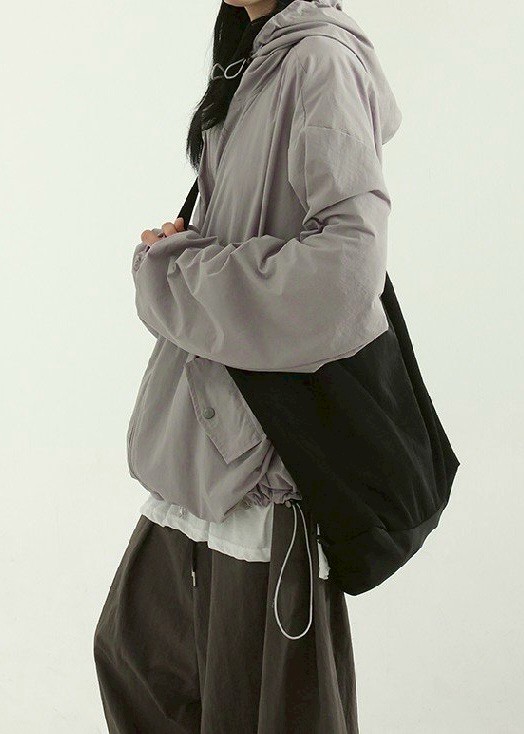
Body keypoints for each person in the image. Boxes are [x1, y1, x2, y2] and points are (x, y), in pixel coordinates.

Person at [93, 1, 402, 732]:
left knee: (258, 708)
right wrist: (191, 241)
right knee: (136, 657)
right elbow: (255, 224)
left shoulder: (319, 62)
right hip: (207, 434)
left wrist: (178, 274)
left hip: (266, 452)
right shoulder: (249, 49)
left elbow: (345, 274)